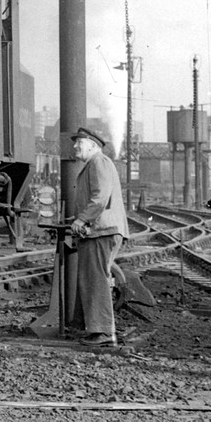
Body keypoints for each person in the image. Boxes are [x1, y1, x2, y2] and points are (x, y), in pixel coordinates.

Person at [68, 126, 129, 346]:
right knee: (92, 279)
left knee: (96, 280)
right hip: (99, 231)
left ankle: (103, 332)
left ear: (93, 145)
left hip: (102, 231)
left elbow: (100, 197)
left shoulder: (98, 162)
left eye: (79, 142)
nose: (75, 146)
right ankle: (95, 329)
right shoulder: (94, 164)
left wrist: (82, 219)